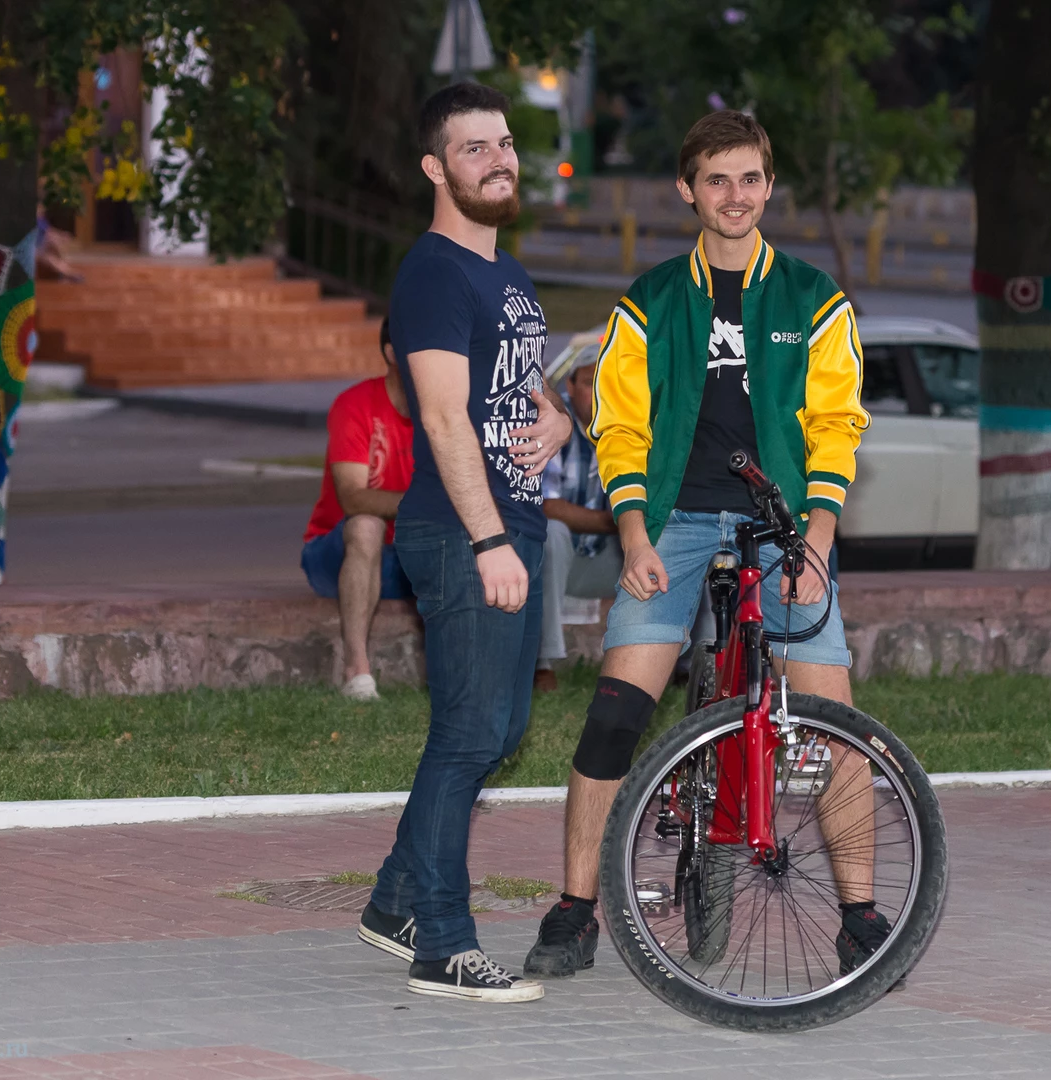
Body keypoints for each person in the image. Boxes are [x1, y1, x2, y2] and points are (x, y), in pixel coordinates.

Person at [522, 110, 880, 979]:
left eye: (750, 178)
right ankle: (574, 911)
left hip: (783, 525)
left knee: (836, 725)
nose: (735, 195)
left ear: (769, 185)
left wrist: (817, 537)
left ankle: (861, 916)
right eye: (717, 180)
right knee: (614, 715)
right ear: (687, 189)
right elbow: (620, 428)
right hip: (675, 522)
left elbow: (836, 424)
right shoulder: (649, 300)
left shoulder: (812, 297)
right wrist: (633, 533)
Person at [354, 83, 573, 1003]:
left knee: (501, 729)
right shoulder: (435, 273)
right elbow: (444, 419)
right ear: (435, 168)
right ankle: (442, 942)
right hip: (460, 529)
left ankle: (394, 901)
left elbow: (521, 388)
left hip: (514, 519)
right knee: (469, 733)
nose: (499, 160)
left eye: (505, 143)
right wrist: (488, 540)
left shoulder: (508, 275)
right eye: (474, 148)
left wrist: (559, 419)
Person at [299, 317, 414, 701]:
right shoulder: (356, 404)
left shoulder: (444, 414)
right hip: (337, 554)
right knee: (367, 524)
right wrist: (428, 504)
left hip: (410, 556)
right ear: (392, 353)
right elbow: (352, 498)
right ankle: (357, 672)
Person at [534, 352, 621, 693]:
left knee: (677, 535)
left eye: (607, 381)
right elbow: (547, 506)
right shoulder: (552, 423)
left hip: (614, 558)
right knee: (550, 532)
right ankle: (542, 663)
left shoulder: (631, 422)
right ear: (569, 387)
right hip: (563, 559)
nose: (599, 391)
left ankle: (683, 662)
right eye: (588, 382)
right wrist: (615, 520)